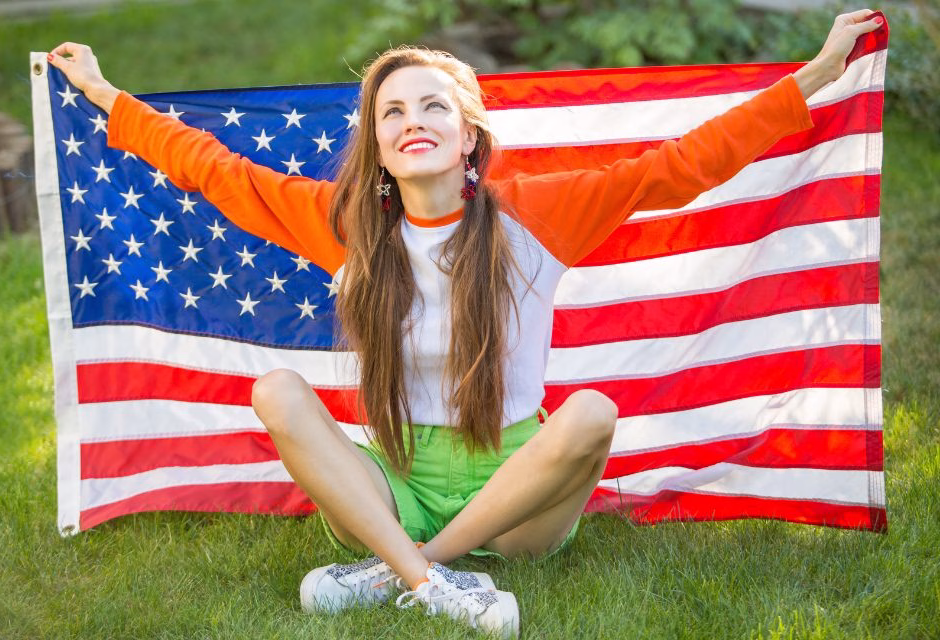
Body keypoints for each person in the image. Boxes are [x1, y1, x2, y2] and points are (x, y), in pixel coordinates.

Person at [48, 10, 883, 637]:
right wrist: (100, 92)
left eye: (433, 107)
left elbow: (678, 169)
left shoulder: (541, 215)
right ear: (376, 146)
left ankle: (400, 577)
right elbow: (214, 172)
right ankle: (428, 577)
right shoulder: (346, 226)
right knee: (276, 390)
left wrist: (814, 74)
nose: (414, 121)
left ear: (470, 133)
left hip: (518, 495)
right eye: (393, 113)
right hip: (398, 484)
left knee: (591, 414)